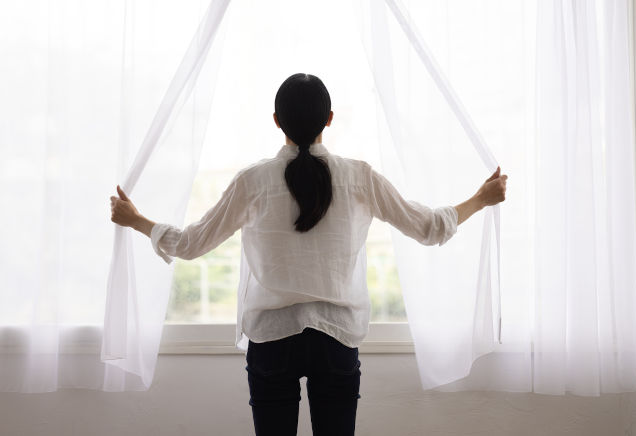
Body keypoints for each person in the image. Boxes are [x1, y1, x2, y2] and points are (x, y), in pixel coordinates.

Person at [109, 73, 507, 436]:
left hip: (271, 342)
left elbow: (190, 244)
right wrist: (481, 198)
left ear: (276, 121)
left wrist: (137, 220)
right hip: (336, 341)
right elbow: (428, 227)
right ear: (329, 119)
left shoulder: (252, 181)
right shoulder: (359, 176)